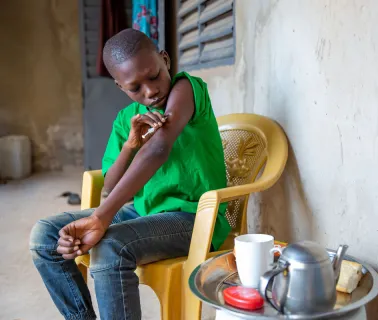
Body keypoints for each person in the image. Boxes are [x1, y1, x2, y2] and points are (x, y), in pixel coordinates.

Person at [29, 28, 230, 320]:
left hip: (194, 216)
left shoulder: (186, 88)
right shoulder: (126, 120)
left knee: (111, 247)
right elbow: (109, 187)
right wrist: (130, 146)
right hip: (143, 211)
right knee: (44, 235)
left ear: (165, 60)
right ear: (120, 87)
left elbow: (159, 148)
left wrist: (101, 217)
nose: (150, 91)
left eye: (154, 76)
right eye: (135, 88)